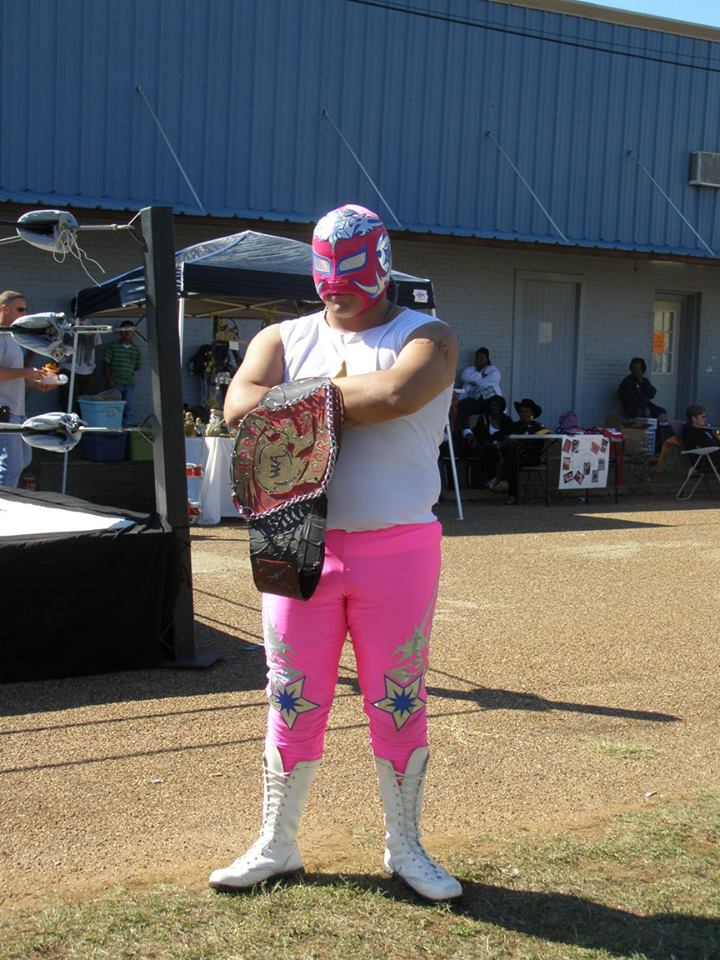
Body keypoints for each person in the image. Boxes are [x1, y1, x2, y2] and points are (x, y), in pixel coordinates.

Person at [209, 203, 462, 901]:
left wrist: (286, 403)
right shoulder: (283, 336)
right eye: (327, 275)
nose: (336, 290)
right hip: (294, 540)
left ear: (381, 267)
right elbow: (236, 409)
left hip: (396, 546)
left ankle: (405, 846)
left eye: (351, 276)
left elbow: (397, 392)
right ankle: (277, 843)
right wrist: (339, 397)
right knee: (291, 697)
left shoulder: (429, 335)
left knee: (399, 700)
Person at [0, 290, 56, 487]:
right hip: (4, 411)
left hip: (15, 411)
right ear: (5, 309)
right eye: (20, 309)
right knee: (11, 466)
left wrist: (36, 382)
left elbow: (13, 375)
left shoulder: (13, 338)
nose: (25, 314)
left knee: (23, 459)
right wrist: (26, 372)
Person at [494, 398, 549, 504]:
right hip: (516, 456)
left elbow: (540, 445)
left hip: (531, 457)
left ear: (532, 413)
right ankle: (510, 492)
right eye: (521, 412)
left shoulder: (539, 427)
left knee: (511, 460)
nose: (523, 414)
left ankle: (507, 487)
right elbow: (500, 435)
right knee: (513, 458)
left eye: (527, 412)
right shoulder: (514, 426)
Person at [461, 394, 515, 488]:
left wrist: (499, 445)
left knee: (507, 454)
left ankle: (500, 480)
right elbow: (479, 436)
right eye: (492, 405)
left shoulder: (507, 420)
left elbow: (509, 437)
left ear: (501, 407)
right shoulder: (483, 419)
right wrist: (490, 445)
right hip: (486, 446)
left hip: (502, 446)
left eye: (496, 405)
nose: (493, 407)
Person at [454, 347, 502, 440]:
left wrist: (476, 382)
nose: (478, 360)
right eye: (477, 358)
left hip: (489, 399)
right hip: (475, 399)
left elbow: (495, 378)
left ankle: (494, 435)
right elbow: (464, 377)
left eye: (481, 358)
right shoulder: (470, 369)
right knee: (462, 406)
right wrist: (481, 376)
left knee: (497, 408)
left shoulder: (493, 369)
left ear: (487, 359)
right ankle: (465, 433)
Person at [58, 317, 102, 412]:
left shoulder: (93, 326)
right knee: (69, 402)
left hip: (88, 370)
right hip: (68, 368)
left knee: (87, 403)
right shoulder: (66, 325)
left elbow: (96, 345)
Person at [103, 320, 141, 424]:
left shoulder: (135, 349)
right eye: (124, 330)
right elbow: (106, 364)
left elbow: (136, 366)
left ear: (134, 333)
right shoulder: (113, 346)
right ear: (120, 332)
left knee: (129, 407)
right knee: (114, 406)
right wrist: (110, 381)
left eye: (129, 330)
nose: (127, 333)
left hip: (129, 383)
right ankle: (113, 427)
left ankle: (127, 429)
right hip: (115, 383)